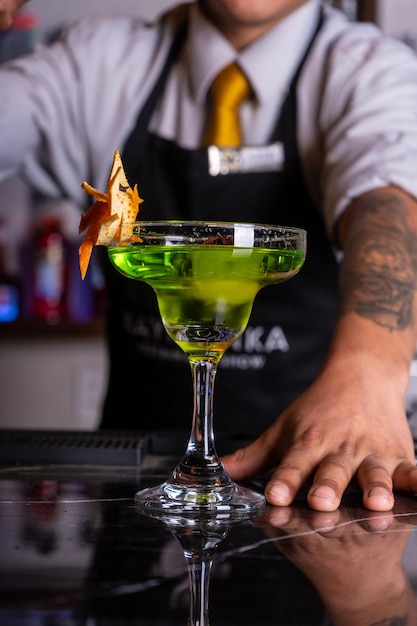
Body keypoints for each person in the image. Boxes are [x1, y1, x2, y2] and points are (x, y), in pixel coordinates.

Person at [1, 0, 417, 513]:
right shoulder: (96, 63)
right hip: (128, 491)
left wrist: (368, 371)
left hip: (305, 488)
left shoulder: (370, 72)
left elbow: (390, 207)